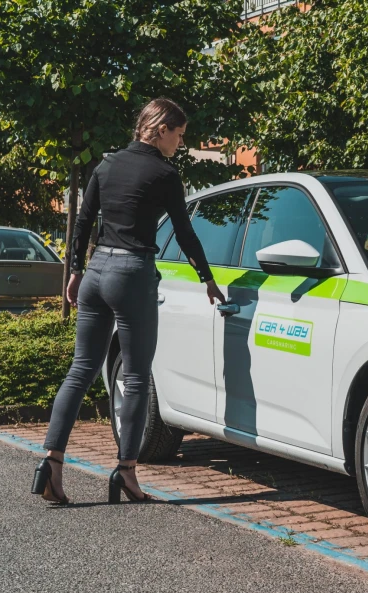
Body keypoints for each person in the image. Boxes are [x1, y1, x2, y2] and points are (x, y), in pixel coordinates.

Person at [32, 98, 226, 505]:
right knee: (136, 377)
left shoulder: (105, 165)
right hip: (133, 273)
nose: (180, 142)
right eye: (178, 134)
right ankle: (126, 473)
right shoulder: (165, 173)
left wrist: (75, 271)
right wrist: (207, 278)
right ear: (159, 129)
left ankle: (50, 464)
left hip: (96, 271)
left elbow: (83, 222)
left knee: (80, 369)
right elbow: (185, 235)